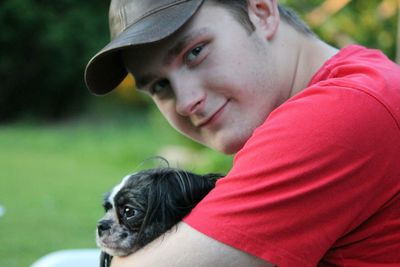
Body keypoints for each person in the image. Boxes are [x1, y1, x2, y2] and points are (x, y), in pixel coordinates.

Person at [84, 0, 400, 266]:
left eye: (195, 52)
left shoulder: (338, 114)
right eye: (160, 85)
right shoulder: (366, 78)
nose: (185, 101)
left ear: (261, 11)